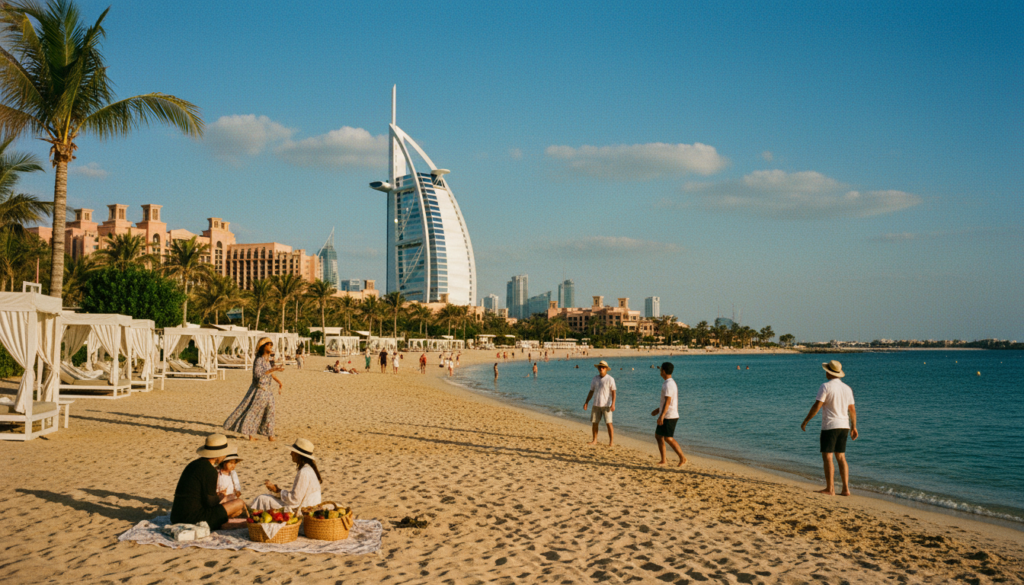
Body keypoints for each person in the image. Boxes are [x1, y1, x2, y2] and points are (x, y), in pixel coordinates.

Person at [801, 360, 858, 496]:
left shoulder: (825, 386)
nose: (825, 372)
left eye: (827, 371)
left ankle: (830, 489)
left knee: (828, 457)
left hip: (830, 426)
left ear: (829, 372)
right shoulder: (847, 388)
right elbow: (852, 410)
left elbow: (817, 406)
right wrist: (854, 427)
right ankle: (845, 489)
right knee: (841, 457)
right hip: (844, 426)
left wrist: (806, 421)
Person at [171, 434, 246, 529]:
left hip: (176, 516)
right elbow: (210, 503)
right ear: (220, 454)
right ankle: (219, 523)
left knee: (232, 508)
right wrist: (221, 496)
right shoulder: (210, 470)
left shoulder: (193, 464)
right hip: (192, 518)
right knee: (238, 503)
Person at [224, 338, 285, 442]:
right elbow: (258, 375)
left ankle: (270, 435)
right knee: (254, 411)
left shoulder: (266, 360)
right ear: (263, 347)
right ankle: (251, 435)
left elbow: (270, 373)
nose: (271, 346)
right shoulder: (258, 360)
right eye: (269, 344)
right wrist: (273, 369)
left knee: (270, 411)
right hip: (259, 390)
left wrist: (279, 381)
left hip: (268, 390)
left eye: (271, 344)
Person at [251, 438, 324, 511]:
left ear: (298, 454)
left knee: (262, 498)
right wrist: (277, 491)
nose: (291, 453)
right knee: (266, 498)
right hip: (307, 506)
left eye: (293, 452)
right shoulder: (308, 469)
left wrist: (277, 490)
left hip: (303, 509)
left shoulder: (304, 472)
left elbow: (295, 499)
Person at [651, 362, 687, 466]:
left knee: (668, 438)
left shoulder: (669, 384)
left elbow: (668, 401)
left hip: (670, 415)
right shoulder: (668, 383)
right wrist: (658, 410)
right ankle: (663, 460)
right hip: (666, 413)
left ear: (663, 371)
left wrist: (661, 416)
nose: (660, 371)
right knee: (658, 436)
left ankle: (682, 458)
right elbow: (667, 401)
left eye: (660, 369)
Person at [583, 360, 616, 446]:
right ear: (598, 368)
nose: (601, 368)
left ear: (606, 369)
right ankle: (594, 440)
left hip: (606, 405)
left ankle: (611, 442)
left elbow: (613, 392)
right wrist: (586, 402)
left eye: (603, 367)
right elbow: (591, 391)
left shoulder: (610, 379)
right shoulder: (595, 378)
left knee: (609, 423)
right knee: (594, 423)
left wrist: (613, 404)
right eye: (600, 367)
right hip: (596, 404)